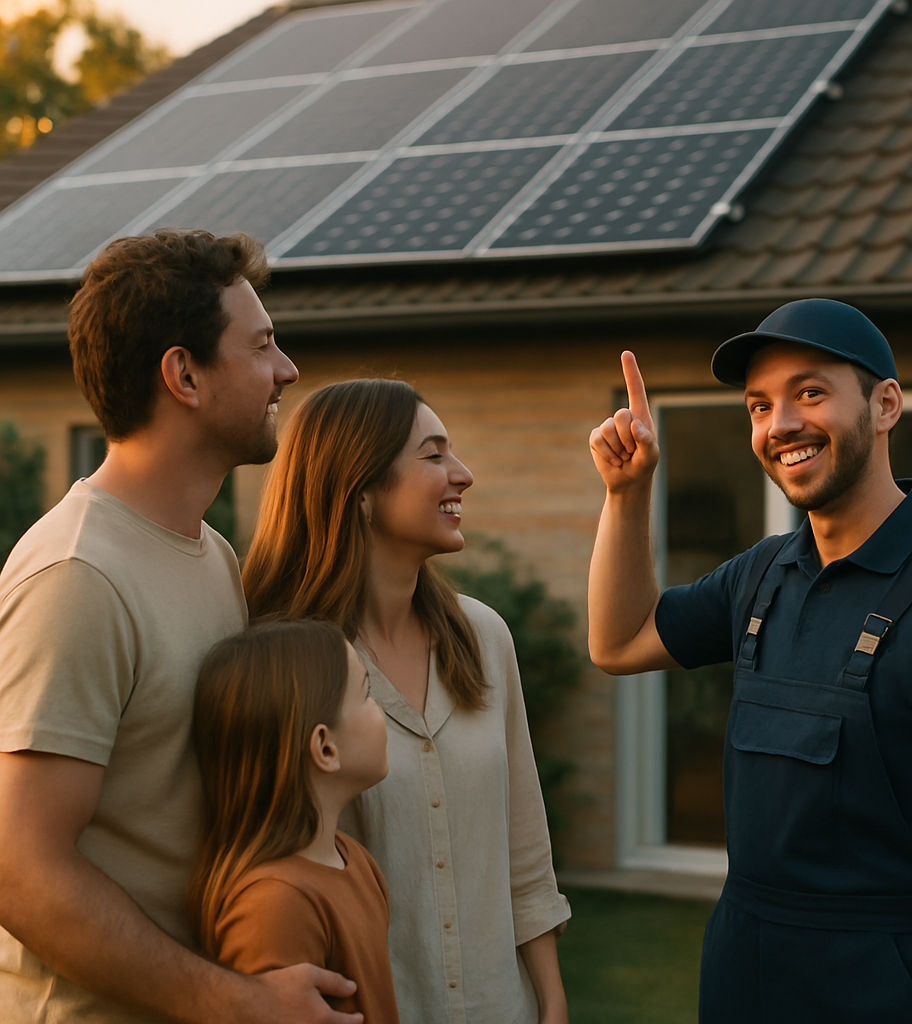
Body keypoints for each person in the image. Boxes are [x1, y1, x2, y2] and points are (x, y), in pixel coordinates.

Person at [588, 298, 912, 1024]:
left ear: (885, 406)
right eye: (759, 405)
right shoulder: (759, 575)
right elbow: (619, 640)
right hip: (741, 967)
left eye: (810, 393)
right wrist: (626, 494)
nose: (779, 424)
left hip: (889, 984)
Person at [0, 230, 362, 1024]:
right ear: (184, 375)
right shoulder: (77, 577)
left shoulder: (213, 557)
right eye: (263, 345)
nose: (288, 370)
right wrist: (239, 1003)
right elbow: (22, 871)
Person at [242, 379, 572, 1024]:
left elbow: (526, 859)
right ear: (361, 490)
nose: (463, 475)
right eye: (433, 455)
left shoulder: (484, 640)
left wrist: (552, 1004)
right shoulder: (283, 664)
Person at [188, 619, 399, 1024]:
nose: (381, 710)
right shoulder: (274, 907)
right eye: (367, 694)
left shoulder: (352, 859)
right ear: (325, 747)